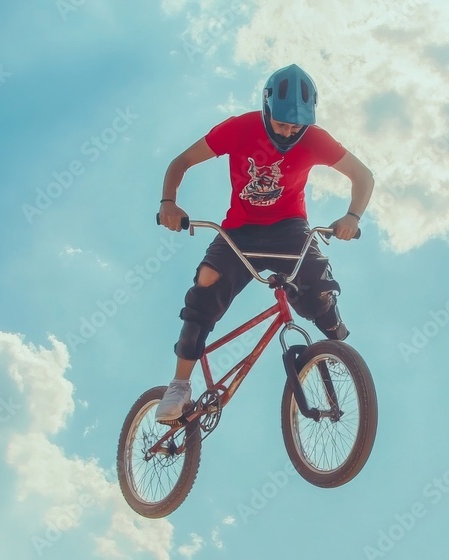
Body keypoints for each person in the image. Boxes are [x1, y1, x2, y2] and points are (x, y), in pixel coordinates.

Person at [155, 64, 374, 423]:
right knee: (207, 282)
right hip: (239, 232)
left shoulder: (316, 139)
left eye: (296, 126)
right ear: (266, 110)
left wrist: (352, 217)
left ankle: (338, 350)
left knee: (318, 282)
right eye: (282, 123)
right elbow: (181, 162)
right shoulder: (239, 129)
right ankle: (179, 384)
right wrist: (168, 202)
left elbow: (362, 176)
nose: (289, 132)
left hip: (289, 229)